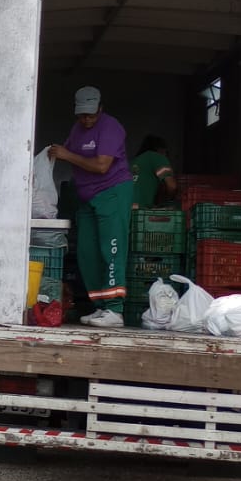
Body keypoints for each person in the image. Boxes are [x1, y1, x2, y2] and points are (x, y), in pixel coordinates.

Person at [48, 86, 133, 328]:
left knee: (111, 249)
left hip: (112, 193)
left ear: (100, 109)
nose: (87, 120)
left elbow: (101, 166)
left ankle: (115, 309)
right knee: (88, 252)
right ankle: (101, 306)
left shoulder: (110, 127)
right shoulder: (77, 129)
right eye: (82, 115)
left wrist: (66, 155)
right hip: (87, 198)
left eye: (91, 115)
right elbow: (66, 150)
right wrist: (54, 153)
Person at [131, 135, 178, 210]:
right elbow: (172, 186)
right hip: (140, 210)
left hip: (124, 208)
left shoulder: (135, 161)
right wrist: (169, 201)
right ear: (161, 149)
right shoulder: (157, 157)